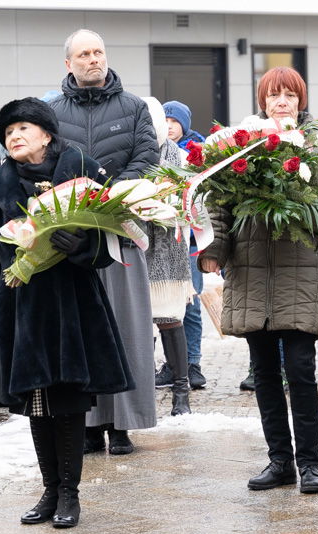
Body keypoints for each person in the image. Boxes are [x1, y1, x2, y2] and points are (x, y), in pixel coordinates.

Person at [0, 97, 135, 528]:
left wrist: (83, 248)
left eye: (23, 128)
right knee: (36, 403)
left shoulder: (82, 171)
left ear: (46, 134)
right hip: (20, 310)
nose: (14, 137)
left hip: (73, 308)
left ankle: (70, 496)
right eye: (7, 133)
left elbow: (115, 240)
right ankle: (49, 491)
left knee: (69, 402)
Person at [199, 66, 318, 494]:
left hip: (301, 275)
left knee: (301, 372)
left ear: (300, 100)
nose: (281, 102)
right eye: (273, 95)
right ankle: (279, 461)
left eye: (289, 95)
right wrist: (213, 253)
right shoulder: (241, 147)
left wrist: (314, 213)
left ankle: (310, 463)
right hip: (251, 273)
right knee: (264, 373)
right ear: (262, 101)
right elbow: (219, 208)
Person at [48, 29, 160, 455]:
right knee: (81, 331)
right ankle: (88, 424)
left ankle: (123, 424)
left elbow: (147, 160)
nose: (93, 59)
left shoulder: (133, 108)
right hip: (73, 240)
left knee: (128, 330)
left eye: (98, 52)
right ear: (68, 63)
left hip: (122, 232)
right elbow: (48, 162)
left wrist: (110, 195)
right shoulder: (51, 111)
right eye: (84, 54)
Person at [142, 96, 192, 415]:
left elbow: (192, 207)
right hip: (136, 249)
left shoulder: (181, 159)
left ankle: (181, 393)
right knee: (137, 325)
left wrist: (170, 208)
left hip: (169, 253)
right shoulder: (132, 158)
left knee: (171, 320)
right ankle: (141, 394)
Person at [154, 100, 207, 390]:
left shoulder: (197, 154)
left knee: (190, 302)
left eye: (175, 121)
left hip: (189, 240)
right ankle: (172, 365)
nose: (170, 125)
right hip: (161, 239)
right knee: (164, 305)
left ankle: (192, 363)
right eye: (165, 120)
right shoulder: (152, 151)